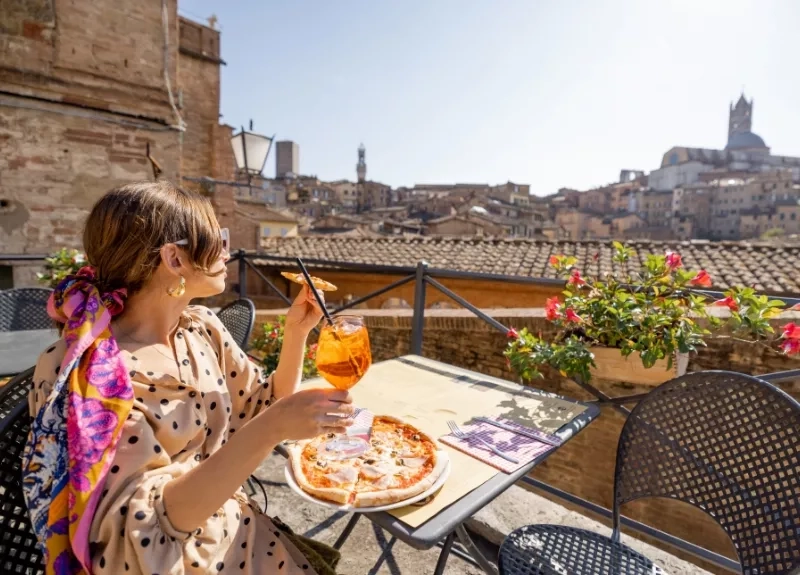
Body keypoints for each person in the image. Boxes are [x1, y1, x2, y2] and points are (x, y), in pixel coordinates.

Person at [22, 181, 351, 575]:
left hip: (238, 531)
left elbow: (263, 405)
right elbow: (139, 536)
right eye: (217, 238)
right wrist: (271, 430)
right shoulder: (92, 374)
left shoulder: (200, 328)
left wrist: (297, 332)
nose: (226, 250)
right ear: (175, 259)